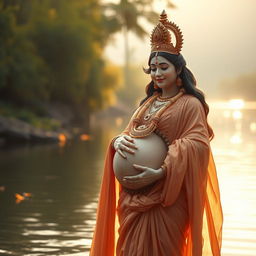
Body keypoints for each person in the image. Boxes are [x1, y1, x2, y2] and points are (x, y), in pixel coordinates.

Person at [90, 10, 223, 256]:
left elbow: (198, 145)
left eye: (163, 67)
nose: (157, 74)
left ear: (178, 71)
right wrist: (117, 141)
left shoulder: (190, 104)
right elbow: (131, 134)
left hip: (167, 198)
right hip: (134, 198)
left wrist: (160, 172)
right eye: (152, 68)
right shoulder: (147, 103)